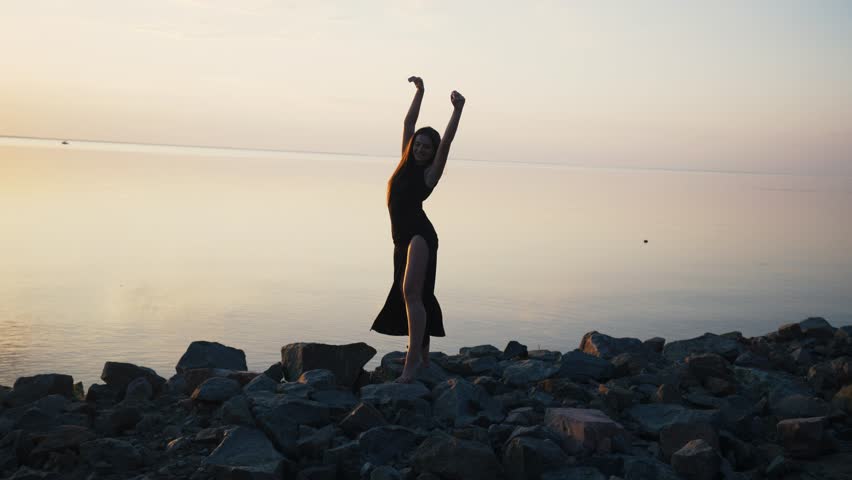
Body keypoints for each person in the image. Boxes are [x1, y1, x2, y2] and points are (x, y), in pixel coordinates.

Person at [371, 76, 465, 383]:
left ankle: (411, 364)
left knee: (411, 292)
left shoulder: (430, 174)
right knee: (416, 293)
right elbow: (408, 123)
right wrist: (420, 92)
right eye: (419, 145)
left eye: (427, 147)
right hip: (400, 239)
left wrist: (457, 110)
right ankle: (422, 355)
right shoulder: (404, 160)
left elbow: (446, 143)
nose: (422, 149)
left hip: (419, 237)